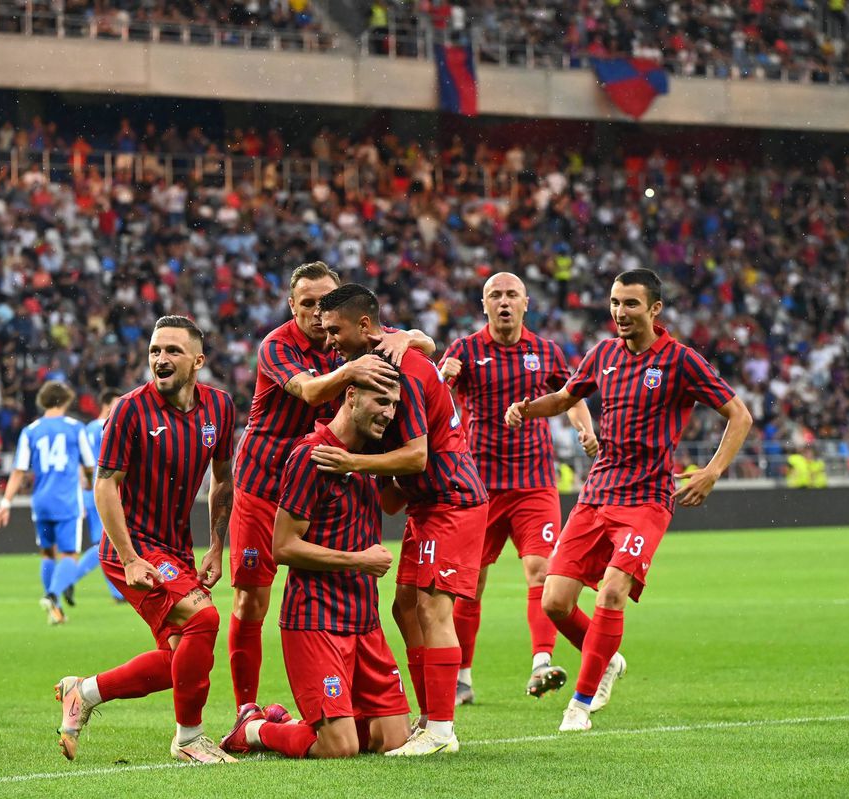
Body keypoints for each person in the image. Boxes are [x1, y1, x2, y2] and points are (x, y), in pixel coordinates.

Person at [504, 268, 752, 732]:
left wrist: (713, 471)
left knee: (613, 592)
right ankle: (608, 661)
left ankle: (579, 704)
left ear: (655, 310)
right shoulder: (603, 355)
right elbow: (564, 397)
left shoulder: (681, 360)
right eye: (615, 302)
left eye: (630, 304)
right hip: (597, 493)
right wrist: (526, 407)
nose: (620, 312)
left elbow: (739, 415)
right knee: (554, 603)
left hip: (646, 500)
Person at [228, 261, 432, 712]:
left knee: (336, 579)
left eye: (326, 304)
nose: (318, 316)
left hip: (329, 479)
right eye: (307, 305)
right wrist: (354, 369)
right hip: (265, 483)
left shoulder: (350, 334)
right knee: (252, 600)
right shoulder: (277, 345)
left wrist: (406, 336)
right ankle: (246, 707)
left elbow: (426, 342)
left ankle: (347, 695)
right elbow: (310, 392)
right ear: (291, 305)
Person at [54, 316, 237, 765]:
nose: (160, 358)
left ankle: (84, 692)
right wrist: (130, 558)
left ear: (197, 361)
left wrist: (216, 545)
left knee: (177, 658)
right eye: (155, 350)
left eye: (173, 350)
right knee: (204, 619)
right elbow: (105, 485)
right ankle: (190, 738)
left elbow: (223, 479)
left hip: (176, 548)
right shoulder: (130, 410)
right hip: (130, 547)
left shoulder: (220, 407)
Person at [316, 284, 488, 756]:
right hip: (425, 505)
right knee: (405, 607)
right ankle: (431, 717)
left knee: (432, 609)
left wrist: (353, 464)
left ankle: (441, 731)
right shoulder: (389, 357)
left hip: (451, 500)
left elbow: (415, 456)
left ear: (365, 326)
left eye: (335, 330)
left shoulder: (403, 370)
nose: (329, 340)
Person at [220, 378, 411, 758]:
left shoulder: (372, 455)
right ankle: (255, 729)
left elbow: (392, 502)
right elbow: (284, 547)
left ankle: (292, 722)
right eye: (381, 401)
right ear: (351, 396)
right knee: (338, 748)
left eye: (394, 405)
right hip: (315, 619)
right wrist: (360, 560)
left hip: (364, 619)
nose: (389, 413)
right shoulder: (312, 455)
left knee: (393, 740)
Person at [437, 272, 598, 704]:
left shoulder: (545, 351)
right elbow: (433, 397)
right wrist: (442, 374)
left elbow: (572, 395)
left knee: (541, 571)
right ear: (483, 304)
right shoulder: (464, 350)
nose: (504, 302)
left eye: (511, 295)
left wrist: (585, 429)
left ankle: (541, 664)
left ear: (526, 302)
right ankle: (462, 679)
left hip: (534, 484)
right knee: (470, 585)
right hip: (478, 485)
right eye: (495, 295)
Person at [0, 381, 96, 625]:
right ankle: (52, 594)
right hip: (66, 500)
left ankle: (56, 611)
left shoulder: (31, 430)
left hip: (41, 502)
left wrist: (5, 502)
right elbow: (91, 466)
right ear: (65, 401)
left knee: (47, 552)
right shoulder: (75, 428)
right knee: (70, 554)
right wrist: (91, 486)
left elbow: (19, 470)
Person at [54, 388, 126, 604]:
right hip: (103, 493)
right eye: (117, 403)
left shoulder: (87, 430)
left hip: (92, 492)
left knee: (106, 543)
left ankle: (118, 593)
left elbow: (78, 462)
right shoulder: (105, 427)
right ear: (106, 404)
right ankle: (66, 580)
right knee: (106, 544)